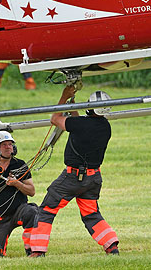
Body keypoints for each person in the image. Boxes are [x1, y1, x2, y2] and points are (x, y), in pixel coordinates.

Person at [28, 86, 119, 257]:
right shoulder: (105, 127)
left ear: (90, 107)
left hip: (72, 178)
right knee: (91, 214)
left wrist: (64, 97)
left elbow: (55, 119)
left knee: (47, 210)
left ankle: (37, 251)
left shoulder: (81, 124)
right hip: (93, 179)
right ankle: (111, 246)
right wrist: (72, 106)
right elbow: (79, 126)